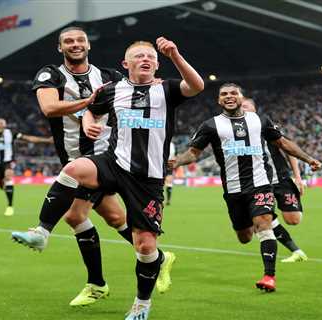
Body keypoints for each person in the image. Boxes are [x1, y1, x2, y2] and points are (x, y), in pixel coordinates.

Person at [61, 37, 204, 319]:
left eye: (150, 56)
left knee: (145, 245)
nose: (145, 59)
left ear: (157, 63)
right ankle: (41, 231)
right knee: (74, 197)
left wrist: (175, 54)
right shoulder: (112, 90)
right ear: (126, 64)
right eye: (138, 56)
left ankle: (142, 303)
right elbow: (93, 107)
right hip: (114, 165)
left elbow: (197, 86)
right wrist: (89, 120)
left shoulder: (167, 90)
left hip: (148, 178)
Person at [11, 26, 141, 307]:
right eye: (68, 41)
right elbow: (49, 108)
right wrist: (88, 104)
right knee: (115, 218)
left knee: (74, 215)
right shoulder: (51, 75)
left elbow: (133, 98)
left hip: (103, 157)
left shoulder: (109, 77)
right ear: (61, 48)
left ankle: (44, 235)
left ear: (88, 45)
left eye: (80, 40)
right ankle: (156, 256)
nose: (75, 44)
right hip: (72, 155)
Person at [173, 83, 321, 292]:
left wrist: (308, 158)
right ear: (219, 100)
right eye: (224, 94)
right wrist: (177, 161)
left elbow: (284, 143)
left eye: (234, 93)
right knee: (244, 237)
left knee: (264, 225)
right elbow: (193, 153)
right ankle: (255, 224)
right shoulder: (211, 125)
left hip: (260, 185)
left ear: (241, 97)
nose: (229, 96)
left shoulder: (259, 120)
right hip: (233, 190)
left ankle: (269, 277)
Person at [242, 98, 308, 263]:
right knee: (263, 218)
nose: (242, 107)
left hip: (282, 178)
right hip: (261, 182)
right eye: (240, 106)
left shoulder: (266, 126)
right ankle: (297, 252)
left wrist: (298, 177)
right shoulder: (239, 131)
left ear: (254, 109)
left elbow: (288, 149)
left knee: (293, 220)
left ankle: (268, 219)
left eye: (246, 105)